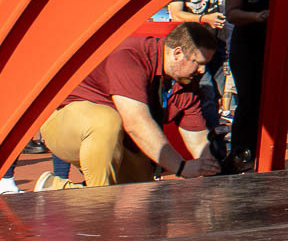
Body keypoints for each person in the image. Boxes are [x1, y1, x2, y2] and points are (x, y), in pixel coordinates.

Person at [37, 24, 222, 188]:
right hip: (64, 124)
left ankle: (58, 188)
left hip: (117, 140)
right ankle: (97, 203)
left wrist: (212, 170)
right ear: (178, 53)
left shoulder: (185, 83)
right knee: (106, 120)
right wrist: (181, 167)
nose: (202, 71)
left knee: (141, 200)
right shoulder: (130, 57)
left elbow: (197, 139)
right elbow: (136, 123)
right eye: (198, 63)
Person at [224, 0, 273, 165]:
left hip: (273, 47)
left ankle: (268, 150)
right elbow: (232, 13)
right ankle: (241, 153)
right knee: (248, 102)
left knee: (269, 101)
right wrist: (257, 16)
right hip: (246, 48)